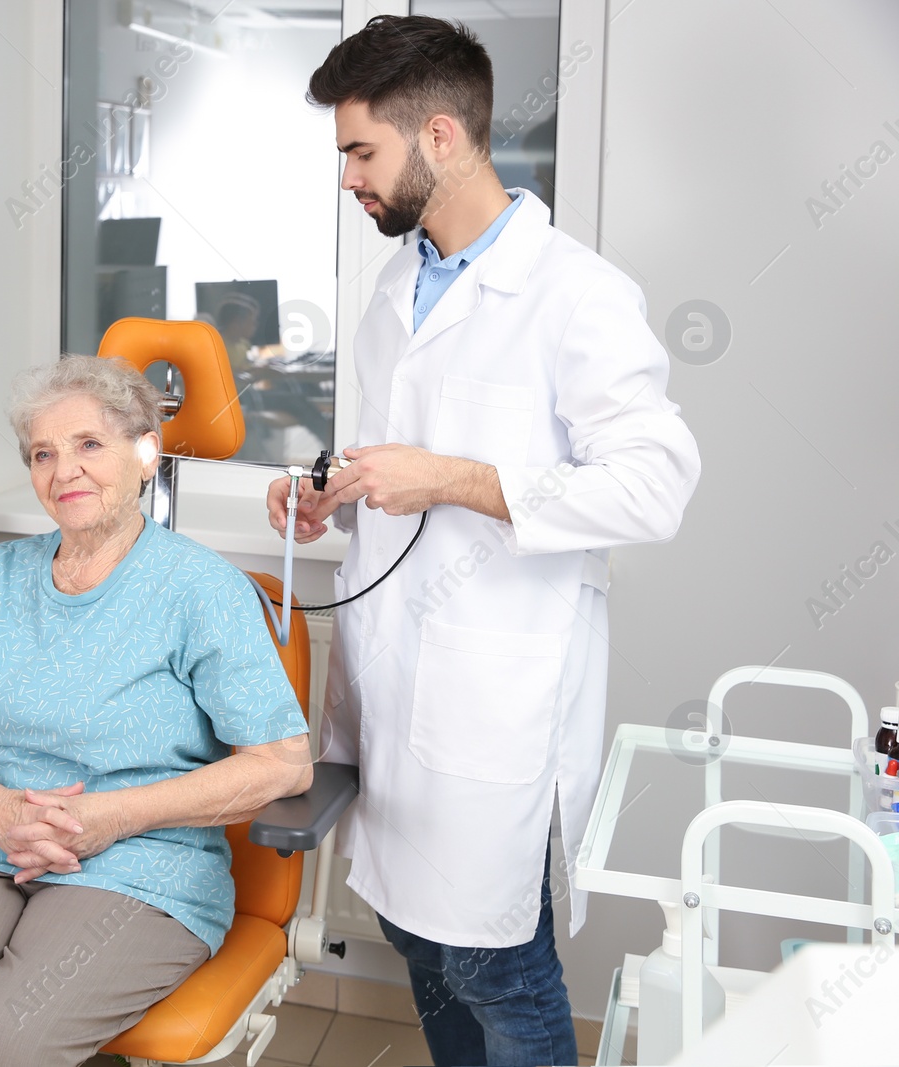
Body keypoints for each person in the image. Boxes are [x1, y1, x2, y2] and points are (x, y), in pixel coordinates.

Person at [265, 16, 700, 1067]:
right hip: (392, 683)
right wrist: (334, 490)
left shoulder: (576, 294)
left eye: (360, 152)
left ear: (443, 136)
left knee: (500, 972)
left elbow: (655, 485)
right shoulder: (394, 286)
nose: (346, 179)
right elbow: (402, 460)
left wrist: (448, 479)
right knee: (421, 942)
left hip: (490, 703)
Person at [0, 355, 312, 1067]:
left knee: (8, 1045)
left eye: (89, 444)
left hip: (144, 862)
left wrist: (109, 817)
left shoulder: (203, 589)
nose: (65, 471)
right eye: (42, 453)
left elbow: (284, 762)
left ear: (145, 451)